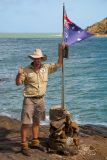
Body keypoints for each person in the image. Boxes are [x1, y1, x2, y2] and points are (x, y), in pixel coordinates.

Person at [16, 43, 65, 156]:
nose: (37, 60)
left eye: (39, 59)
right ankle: (24, 145)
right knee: (25, 123)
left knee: (37, 121)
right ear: (33, 59)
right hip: (29, 100)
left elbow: (59, 64)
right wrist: (18, 75)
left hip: (41, 99)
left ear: (41, 59)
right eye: (36, 59)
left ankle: (35, 142)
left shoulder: (46, 68)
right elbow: (18, 83)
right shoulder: (26, 70)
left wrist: (60, 51)